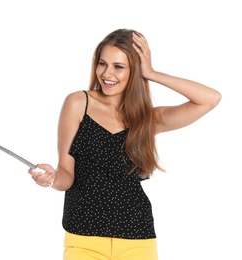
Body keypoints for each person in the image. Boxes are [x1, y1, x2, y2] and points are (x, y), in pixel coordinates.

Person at [28, 28, 221, 260]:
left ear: (134, 70)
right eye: (102, 63)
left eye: (119, 66)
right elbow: (67, 175)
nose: (107, 73)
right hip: (83, 237)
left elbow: (210, 99)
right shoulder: (78, 103)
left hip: (137, 237)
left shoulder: (147, 119)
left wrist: (151, 72)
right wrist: (51, 179)